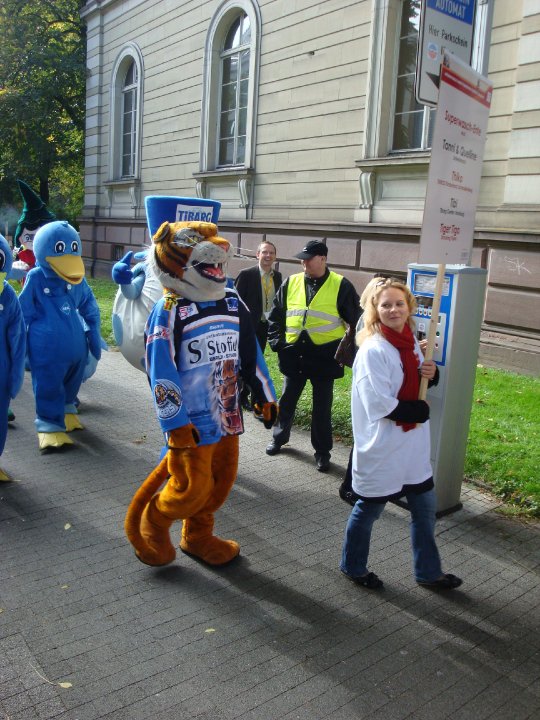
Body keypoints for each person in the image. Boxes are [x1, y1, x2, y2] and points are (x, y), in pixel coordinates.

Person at [340, 277, 462, 590]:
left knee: (425, 510)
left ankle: (428, 572)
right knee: (369, 510)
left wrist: (431, 375)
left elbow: (415, 383)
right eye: (386, 305)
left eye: (399, 304)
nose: (393, 310)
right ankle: (352, 565)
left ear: (409, 307)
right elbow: (377, 402)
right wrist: (416, 411)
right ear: (375, 310)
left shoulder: (410, 343)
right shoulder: (374, 349)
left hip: (412, 448)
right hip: (384, 446)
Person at [266, 240, 361, 472]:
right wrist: (277, 343)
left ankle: (322, 452)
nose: (304, 263)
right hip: (293, 355)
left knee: (322, 409)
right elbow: (275, 316)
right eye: (302, 259)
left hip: (324, 358)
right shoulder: (291, 282)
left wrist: (356, 350)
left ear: (323, 259)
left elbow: (357, 320)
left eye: (308, 259)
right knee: (287, 401)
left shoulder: (341, 285)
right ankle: (279, 438)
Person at [235, 241, 282, 408]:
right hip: (249, 326)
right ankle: (242, 396)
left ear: (275, 256)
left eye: (271, 253)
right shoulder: (246, 274)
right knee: (248, 362)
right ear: (258, 255)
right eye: (264, 252)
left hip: (266, 326)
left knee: (259, 363)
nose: (268, 255)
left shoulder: (277, 276)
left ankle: (256, 399)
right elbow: (236, 302)